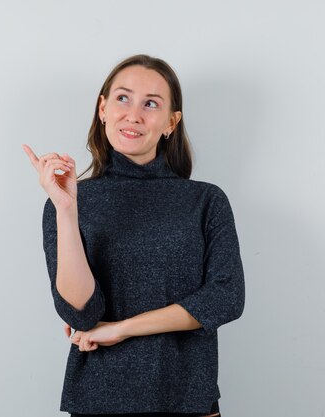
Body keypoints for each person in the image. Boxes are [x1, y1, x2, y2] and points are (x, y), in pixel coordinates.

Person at [22, 54, 245, 417]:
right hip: (99, 399)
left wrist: (122, 329)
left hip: (187, 398)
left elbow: (226, 297)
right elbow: (82, 313)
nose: (134, 114)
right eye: (123, 98)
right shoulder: (71, 202)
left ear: (171, 122)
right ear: (103, 108)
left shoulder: (204, 200)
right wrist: (66, 209)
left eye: (151, 104)